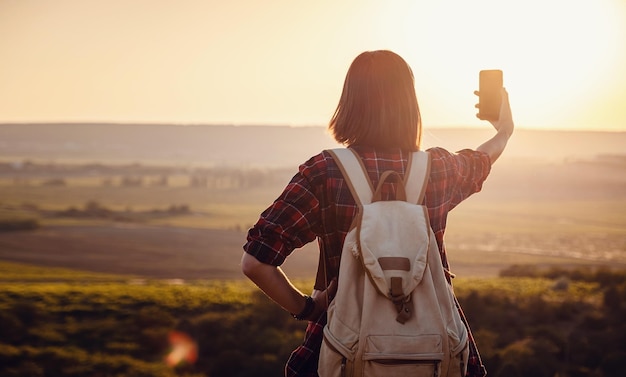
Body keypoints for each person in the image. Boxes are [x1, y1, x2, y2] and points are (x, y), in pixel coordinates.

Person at [241, 50, 514, 377]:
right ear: (409, 105)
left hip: (346, 352)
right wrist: (504, 130)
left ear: (350, 104)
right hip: (436, 352)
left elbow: (256, 262)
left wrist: (308, 308)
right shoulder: (438, 170)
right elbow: (481, 160)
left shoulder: (325, 172)